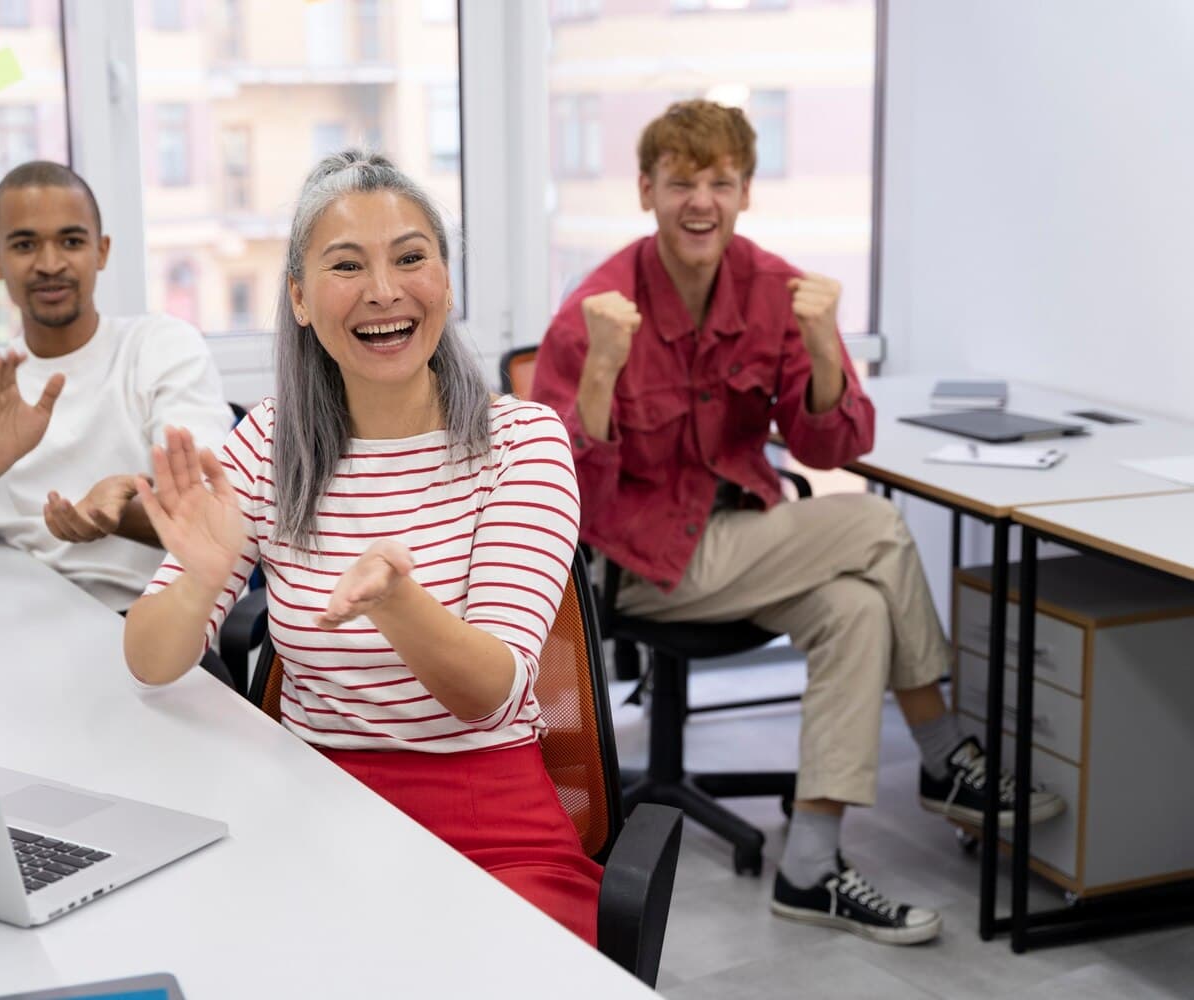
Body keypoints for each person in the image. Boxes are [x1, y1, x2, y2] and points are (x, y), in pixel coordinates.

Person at [532, 100, 1064, 945]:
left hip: (745, 539)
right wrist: (601, 364)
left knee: (855, 610)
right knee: (879, 529)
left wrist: (822, 345)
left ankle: (810, 867)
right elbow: (565, 493)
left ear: (745, 191)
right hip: (643, 562)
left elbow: (838, 439)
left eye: (720, 182)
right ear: (646, 190)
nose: (700, 201)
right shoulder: (598, 308)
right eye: (680, 183)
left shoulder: (775, 288)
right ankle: (944, 754)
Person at [123, 151, 603, 945]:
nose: (385, 290)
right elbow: (149, 660)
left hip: (491, 822)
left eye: (411, 257)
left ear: (444, 280)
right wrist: (198, 582)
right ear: (301, 300)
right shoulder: (269, 443)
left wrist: (398, 603)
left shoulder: (523, 442)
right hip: (311, 806)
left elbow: (489, 692)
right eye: (347, 266)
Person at [0, 161, 232, 611]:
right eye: (25, 244)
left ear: (102, 251)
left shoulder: (159, 347)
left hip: (144, 629)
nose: (50, 264)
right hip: (13, 630)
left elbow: (219, 523)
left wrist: (112, 518)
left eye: (71, 241)